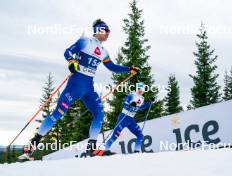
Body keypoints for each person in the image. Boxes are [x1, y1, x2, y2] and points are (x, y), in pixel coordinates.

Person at [18, 19, 139, 161]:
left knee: (99, 114)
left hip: (88, 89)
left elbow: (112, 67)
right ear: (99, 29)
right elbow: (68, 51)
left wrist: (129, 69)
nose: (108, 34)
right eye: (107, 31)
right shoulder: (85, 41)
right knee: (58, 114)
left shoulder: (104, 51)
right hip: (74, 86)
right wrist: (72, 61)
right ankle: (31, 147)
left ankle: (92, 149)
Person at [94, 82, 154, 156]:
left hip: (131, 120)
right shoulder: (132, 95)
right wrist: (130, 105)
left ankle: (136, 152)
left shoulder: (142, 98)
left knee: (140, 135)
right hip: (124, 117)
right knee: (115, 135)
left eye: (142, 89)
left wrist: (149, 103)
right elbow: (124, 103)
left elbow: (141, 107)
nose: (140, 91)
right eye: (139, 89)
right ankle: (102, 151)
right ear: (136, 89)